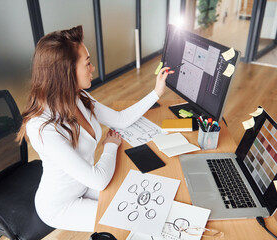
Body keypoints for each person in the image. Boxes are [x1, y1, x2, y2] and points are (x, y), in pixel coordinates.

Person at [17, 25, 173, 232]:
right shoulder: (42, 127)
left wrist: (156, 92)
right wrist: (110, 146)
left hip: (84, 184)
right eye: (87, 63)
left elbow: (120, 119)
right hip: (61, 205)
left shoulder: (78, 97)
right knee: (130, 223)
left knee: (141, 202)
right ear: (65, 71)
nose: (93, 69)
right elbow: (99, 180)